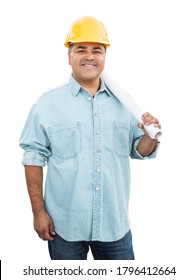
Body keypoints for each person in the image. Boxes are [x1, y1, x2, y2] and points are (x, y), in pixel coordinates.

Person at [19, 16, 161, 260]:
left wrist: (150, 134)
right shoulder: (47, 104)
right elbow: (33, 157)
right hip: (64, 227)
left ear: (104, 56)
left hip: (114, 226)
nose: (89, 56)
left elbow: (140, 150)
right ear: (69, 56)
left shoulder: (124, 102)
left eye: (97, 50)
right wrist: (38, 211)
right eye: (80, 49)